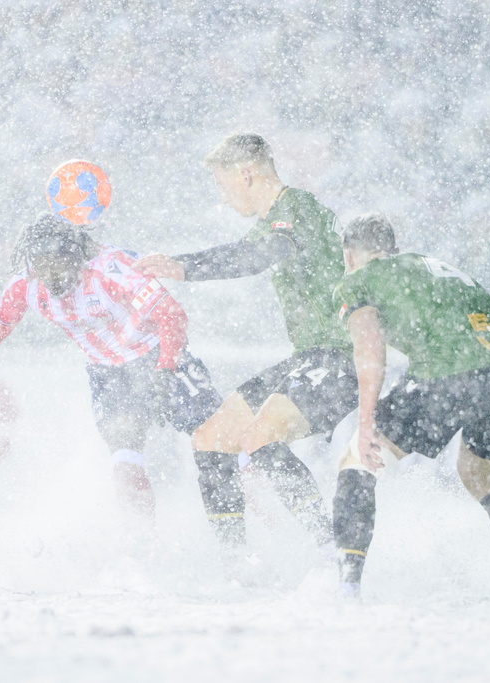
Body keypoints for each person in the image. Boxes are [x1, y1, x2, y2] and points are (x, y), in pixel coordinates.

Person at [0, 213, 246, 545]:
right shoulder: (27, 283)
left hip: (158, 354)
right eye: (42, 265)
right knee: (124, 455)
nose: (51, 276)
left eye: (58, 265)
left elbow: (172, 315)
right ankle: (144, 544)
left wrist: (166, 370)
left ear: (76, 257)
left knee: (221, 441)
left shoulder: (111, 269)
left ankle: (255, 527)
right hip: (109, 373)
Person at [135, 133, 356, 550]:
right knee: (212, 436)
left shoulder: (297, 209)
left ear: (247, 174)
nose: (223, 197)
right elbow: (244, 251)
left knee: (260, 437)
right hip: (310, 358)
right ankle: (236, 562)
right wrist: (180, 263)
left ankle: (333, 551)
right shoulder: (273, 221)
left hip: (342, 359)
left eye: (223, 185)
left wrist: (179, 268)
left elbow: (252, 259)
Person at [332, 213, 490, 601]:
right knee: (481, 476)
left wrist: (366, 423)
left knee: (355, 461)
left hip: (446, 377)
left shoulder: (358, 280)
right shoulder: (444, 270)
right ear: (394, 249)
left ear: (349, 256)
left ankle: (347, 587)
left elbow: (369, 348)